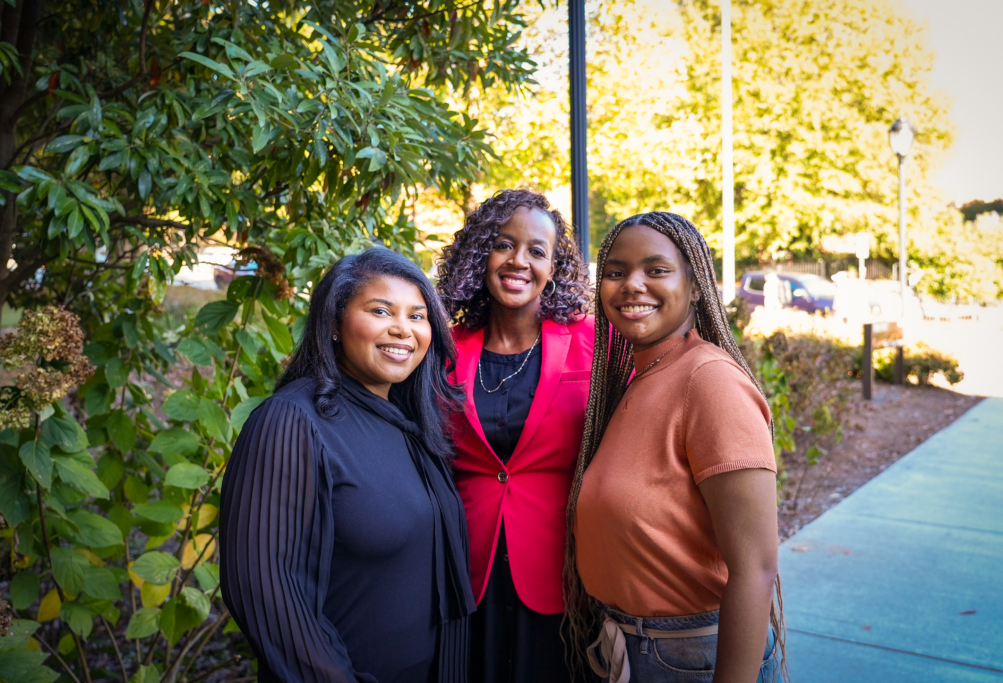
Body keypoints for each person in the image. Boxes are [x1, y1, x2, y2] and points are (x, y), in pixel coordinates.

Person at [220, 247, 476, 683]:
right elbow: (267, 591)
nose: (403, 330)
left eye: (418, 316)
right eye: (381, 311)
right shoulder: (292, 422)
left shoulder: (411, 423)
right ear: (335, 322)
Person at [565, 212, 786, 683]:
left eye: (656, 269)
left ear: (696, 285)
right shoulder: (639, 378)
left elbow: (757, 567)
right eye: (616, 272)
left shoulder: (710, 381)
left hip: (691, 658)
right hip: (631, 647)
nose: (632, 285)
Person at [436, 189, 593, 683]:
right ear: (482, 253)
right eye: (504, 244)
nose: (518, 261)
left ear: (553, 267)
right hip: (467, 562)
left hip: (560, 566)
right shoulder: (442, 349)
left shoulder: (592, 342)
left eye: (537, 251)